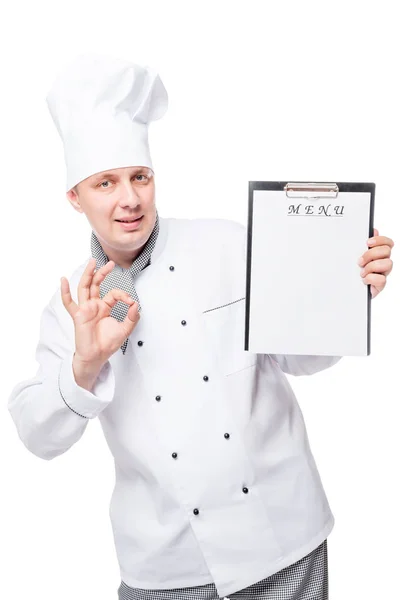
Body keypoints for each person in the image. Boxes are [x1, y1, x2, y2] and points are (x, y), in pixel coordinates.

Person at [7, 53, 394, 600]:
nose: (130, 199)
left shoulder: (227, 244)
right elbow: (37, 436)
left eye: (140, 177)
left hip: (281, 540)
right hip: (165, 568)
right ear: (75, 198)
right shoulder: (75, 305)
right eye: (105, 183)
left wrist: (346, 296)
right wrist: (86, 363)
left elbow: (302, 357)